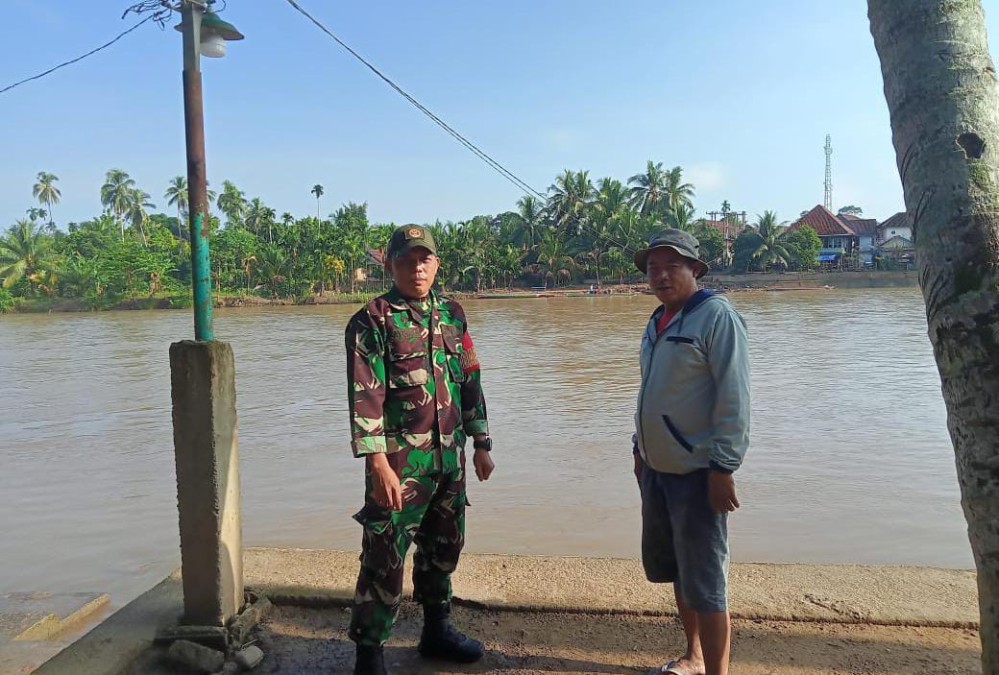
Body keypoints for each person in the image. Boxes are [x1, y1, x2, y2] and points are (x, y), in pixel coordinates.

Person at [344, 224, 495, 675]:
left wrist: (482, 441)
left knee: (444, 548)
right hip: (398, 466)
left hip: (449, 460)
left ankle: (436, 631)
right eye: (407, 260)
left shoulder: (454, 315)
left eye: (424, 259)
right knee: (384, 559)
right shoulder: (372, 320)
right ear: (389, 265)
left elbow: (470, 381)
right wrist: (376, 464)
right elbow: (364, 396)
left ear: (437, 264)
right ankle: (369, 655)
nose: (417, 268)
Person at [631, 229, 750, 675]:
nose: (660, 275)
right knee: (679, 571)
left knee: (706, 581)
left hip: (698, 473)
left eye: (671, 266)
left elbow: (733, 399)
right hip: (657, 470)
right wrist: (638, 449)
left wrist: (723, 468)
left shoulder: (717, 317)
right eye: (652, 268)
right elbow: (649, 392)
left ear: (695, 270)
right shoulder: (657, 319)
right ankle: (693, 656)